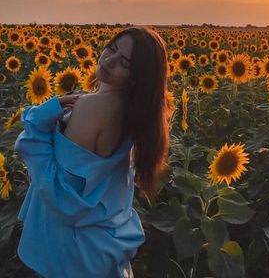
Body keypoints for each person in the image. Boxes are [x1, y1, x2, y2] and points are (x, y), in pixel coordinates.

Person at [14, 25, 170, 278]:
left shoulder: (94, 107)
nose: (108, 60)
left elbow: (59, 193)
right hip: (99, 246)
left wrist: (38, 124)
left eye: (124, 62)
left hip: (74, 252)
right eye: (112, 48)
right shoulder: (133, 113)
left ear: (136, 77)